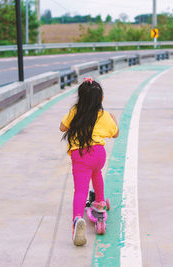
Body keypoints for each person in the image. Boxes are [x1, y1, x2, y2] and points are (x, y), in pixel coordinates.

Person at [60, 77, 119, 246]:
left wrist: (73, 119)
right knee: (97, 174)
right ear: (100, 99)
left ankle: (78, 219)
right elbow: (115, 134)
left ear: (80, 98)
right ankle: (100, 202)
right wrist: (114, 119)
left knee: (81, 190)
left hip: (80, 156)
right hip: (98, 155)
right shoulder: (104, 115)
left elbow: (62, 128)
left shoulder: (75, 112)